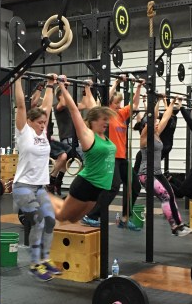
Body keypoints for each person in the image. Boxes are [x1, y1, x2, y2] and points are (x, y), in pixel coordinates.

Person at [12, 74, 62, 281]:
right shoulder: (24, 132)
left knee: (50, 221)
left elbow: (47, 107)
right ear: (30, 122)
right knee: (39, 223)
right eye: (39, 122)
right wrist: (17, 79)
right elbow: (20, 105)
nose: (43, 125)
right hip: (23, 187)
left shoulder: (42, 133)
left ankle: (45, 259)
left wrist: (51, 84)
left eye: (44, 122)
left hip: (40, 187)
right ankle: (34, 264)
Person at [48, 79, 117, 224]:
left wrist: (87, 88)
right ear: (94, 121)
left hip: (98, 188)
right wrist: (62, 86)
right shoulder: (88, 136)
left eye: (107, 119)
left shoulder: (103, 136)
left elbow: (93, 107)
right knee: (61, 216)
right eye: (104, 119)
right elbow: (74, 110)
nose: (107, 122)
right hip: (86, 185)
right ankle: (41, 195)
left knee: (73, 219)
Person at [81, 75, 143, 230]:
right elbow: (105, 99)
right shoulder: (106, 116)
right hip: (110, 157)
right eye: (116, 103)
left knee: (135, 185)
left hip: (122, 158)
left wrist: (138, 87)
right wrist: (116, 82)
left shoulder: (121, 114)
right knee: (114, 187)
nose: (119, 105)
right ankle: (91, 216)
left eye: (120, 103)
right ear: (110, 103)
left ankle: (125, 218)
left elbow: (135, 104)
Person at [139, 95, 192, 237]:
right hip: (146, 174)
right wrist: (155, 101)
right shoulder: (145, 137)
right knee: (165, 196)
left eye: (157, 122)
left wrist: (172, 102)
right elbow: (152, 117)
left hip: (157, 173)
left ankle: (180, 225)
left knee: (172, 196)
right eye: (154, 122)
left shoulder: (157, 133)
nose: (157, 123)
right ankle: (174, 227)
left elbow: (166, 116)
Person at [51, 79, 97, 195]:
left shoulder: (70, 106)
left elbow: (85, 105)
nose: (68, 96)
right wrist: (63, 87)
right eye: (65, 95)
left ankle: (56, 182)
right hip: (68, 139)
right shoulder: (58, 107)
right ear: (60, 96)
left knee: (67, 162)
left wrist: (85, 89)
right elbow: (64, 103)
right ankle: (82, 186)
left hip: (74, 139)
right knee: (86, 159)